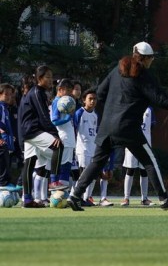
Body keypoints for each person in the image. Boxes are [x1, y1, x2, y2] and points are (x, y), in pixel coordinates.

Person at [67, 41, 168, 211]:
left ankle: (75, 195)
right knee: (149, 161)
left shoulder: (117, 70)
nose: (152, 61)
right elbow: (163, 101)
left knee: (96, 162)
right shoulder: (144, 75)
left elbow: (99, 92)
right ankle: (165, 198)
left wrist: (113, 106)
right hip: (128, 127)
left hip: (107, 126)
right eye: (151, 58)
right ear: (145, 58)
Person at [18, 65, 67, 208]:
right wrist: (54, 134)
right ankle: (54, 181)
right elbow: (44, 116)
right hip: (33, 130)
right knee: (58, 146)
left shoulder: (35, 93)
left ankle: (27, 199)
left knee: (29, 163)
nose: (51, 80)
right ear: (39, 79)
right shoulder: (37, 93)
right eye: (48, 77)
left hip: (27, 132)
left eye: (52, 77)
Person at [121, 107, 156, 207]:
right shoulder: (131, 107)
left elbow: (152, 125)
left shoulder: (149, 109)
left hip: (145, 144)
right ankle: (126, 198)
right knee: (130, 170)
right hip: (132, 143)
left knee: (144, 171)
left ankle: (144, 198)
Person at [74, 88, 98, 206]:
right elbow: (74, 129)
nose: (93, 101)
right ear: (84, 100)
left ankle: (87, 197)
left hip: (93, 149)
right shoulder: (80, 113)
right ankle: (77, 197)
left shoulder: (95, 115)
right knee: (83, 175)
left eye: (94, 99)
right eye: (90, 99)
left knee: (93, 175)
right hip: (82, 149)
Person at [0, 83, 16, 190]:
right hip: (2, 142)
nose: (9, 97)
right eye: (6, 94)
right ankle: (3, 183)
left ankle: (6, 182)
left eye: (10, 95)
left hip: (7, 142)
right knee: (3, 163)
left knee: (7, 163)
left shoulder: (5, 108)